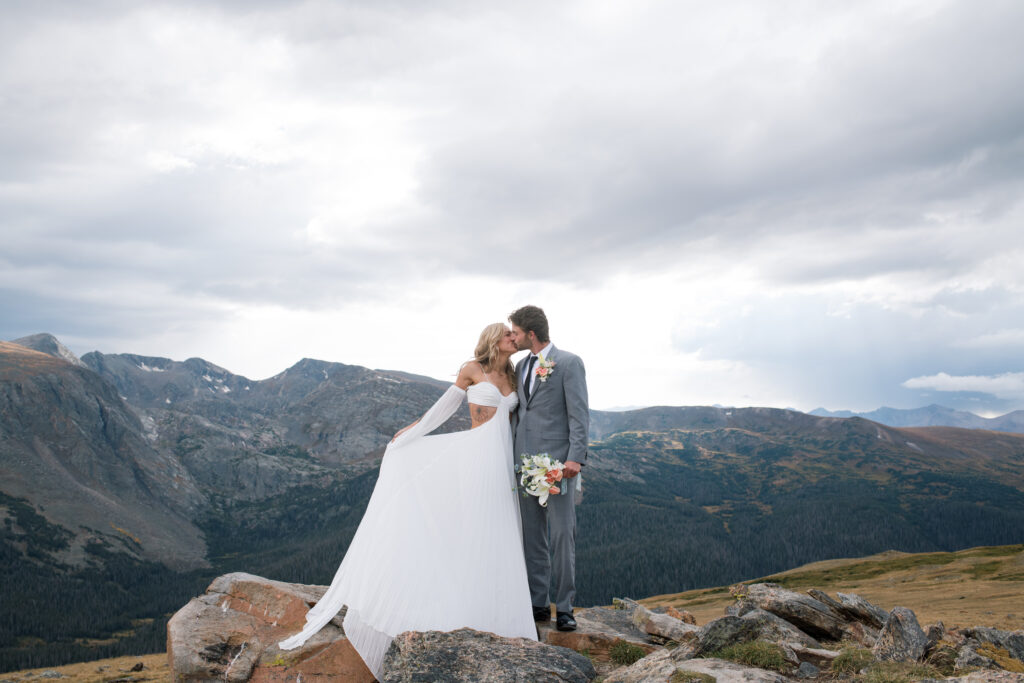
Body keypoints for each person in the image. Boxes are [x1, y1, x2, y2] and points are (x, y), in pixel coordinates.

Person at [278, 323, 536, 679]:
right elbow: (445, 407)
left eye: (515, 333)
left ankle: (495, 612)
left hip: (502, 464)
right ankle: (460, 609)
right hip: (475, 459)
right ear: (495, 339)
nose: (514, 337)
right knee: (474, 529)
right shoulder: (472, 369)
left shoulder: (514, 372)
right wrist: (414, 432)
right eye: (508, 334)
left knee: (498, 533)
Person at [509, 305, 589, 633]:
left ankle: (566, 608)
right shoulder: (520, 366)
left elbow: (579, 414)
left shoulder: (569, 363)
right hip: (523, 464)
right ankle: (538, 604)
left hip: (558, 465)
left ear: (530, 333)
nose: (511, 337)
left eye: (515, 332)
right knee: (532, 538)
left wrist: (575, 458)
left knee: (562, 535)